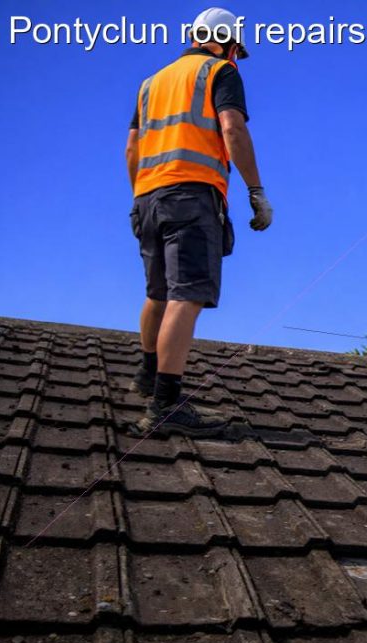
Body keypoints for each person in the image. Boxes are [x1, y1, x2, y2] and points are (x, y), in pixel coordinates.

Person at [124, 7, 273, 436]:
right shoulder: (220, 72)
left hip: (148, 197)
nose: (236, 57)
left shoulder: (152, 83)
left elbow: (132, 148)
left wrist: (139, 196)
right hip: (192, 195)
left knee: (157, 292)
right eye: (236, 49)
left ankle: (147, 376)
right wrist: (256, 191)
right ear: (225, 41)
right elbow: (233, 130)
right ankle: (165, 407)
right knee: (186, 295)